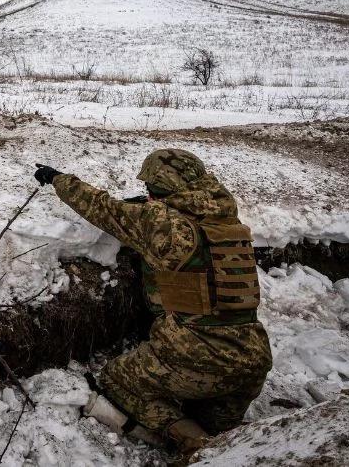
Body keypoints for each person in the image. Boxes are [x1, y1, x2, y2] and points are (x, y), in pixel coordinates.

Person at [34, 149, 272, 455]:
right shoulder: (226, 221)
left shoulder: (162, 224)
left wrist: (57, 179)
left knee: (117, 381)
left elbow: (102, 208)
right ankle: (221, 445)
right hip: (252, 360)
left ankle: (197, 447)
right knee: (218, 429)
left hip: (201, 356)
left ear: (160, 189)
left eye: (150, 190)